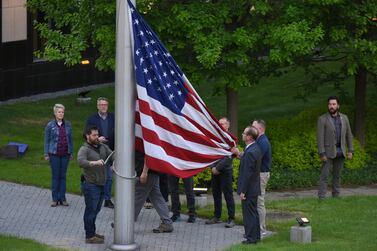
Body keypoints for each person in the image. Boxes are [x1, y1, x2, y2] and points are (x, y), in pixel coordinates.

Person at [77, 125, 114, 244]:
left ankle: (92, 232)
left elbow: (112, 155)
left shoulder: (102, 146)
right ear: (87, 136)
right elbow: (81, 161)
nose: (97, 137)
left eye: (97, 134)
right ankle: (89, 236)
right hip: (91, 185)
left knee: (96, 209)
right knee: (91, 210)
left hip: (102, 184)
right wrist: (94, 162)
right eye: (94, 135)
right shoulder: (84, 149)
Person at [317, 96, 354, 200]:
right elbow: (320, 137)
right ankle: (321, 197)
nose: (331, 106)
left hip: (341, 150)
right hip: (327, 152)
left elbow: (349, 135)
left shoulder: (344, 118)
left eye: (333, 104)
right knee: (324, 176)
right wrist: (322, 153)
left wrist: (351, 150)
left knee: (337, 175)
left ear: (338, 105)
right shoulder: (322, 119)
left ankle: (336, 196)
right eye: (329, 104)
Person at [205, 117, 235, 228]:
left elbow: (229, 157)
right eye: (219, 124)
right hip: (214, 170)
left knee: (228, 195)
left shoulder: (230, 139)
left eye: (223, 124)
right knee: (216, 194)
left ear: (228, 125)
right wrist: (213, 167)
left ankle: (231, 218)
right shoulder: (215, 138)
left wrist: (217, 168)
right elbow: (211, 153)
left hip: (225, 171)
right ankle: (217, 216)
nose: (221, 126)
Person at [86, 97, 115, 209]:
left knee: (109, 177)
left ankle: (107, 199)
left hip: (110, 151)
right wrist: (97, 139)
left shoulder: (113, 117)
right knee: (97, 176)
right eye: (101, 105)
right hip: (96, 151)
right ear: (97, 106)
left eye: (105, 104)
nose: (103, 106)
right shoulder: (92, 119)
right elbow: (86, 135)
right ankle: (96, 196)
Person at [134, 151, 174, 233]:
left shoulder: (144, 139)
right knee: (157, 198)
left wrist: (144, 172)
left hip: (147, 173)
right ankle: (167, 223)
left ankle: (126, 223)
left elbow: (148, 155)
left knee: (137, 199)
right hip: (152, 173)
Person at [44, 104, 73, 207]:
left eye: (62, 112)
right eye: (59, 112)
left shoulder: (68, 125)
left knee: (63, 176)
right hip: (54, 154)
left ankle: (63, 198)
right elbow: (47, 141)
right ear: (55, 113)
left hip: (65, 154)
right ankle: (55, 199)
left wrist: (71, 152)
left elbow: (70, 140)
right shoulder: (50, 125)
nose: (61, 114)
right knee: (55, 176)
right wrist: (46, 154)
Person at [237, 126, 262, 245]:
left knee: (249, 215)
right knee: (254, 213)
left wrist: (243, 191)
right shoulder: (254, 148)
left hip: (249, 189)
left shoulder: (250, 151)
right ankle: (256, 236)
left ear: (249, 137)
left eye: (244, 133)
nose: (242, 135)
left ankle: (251, 239)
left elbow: (247, 173)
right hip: (254, 188)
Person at [251, 119, 272, 236]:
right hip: (259, 174)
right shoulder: (259, 140)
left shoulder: (263, 142)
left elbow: (255, 158)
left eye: (253, 127)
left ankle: (260, 229)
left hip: (261, 174)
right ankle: (256, 228)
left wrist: (241, 155)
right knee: (256, 201)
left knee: (259, 201)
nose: (251, 129)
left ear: (260, 129)